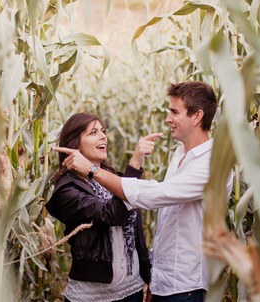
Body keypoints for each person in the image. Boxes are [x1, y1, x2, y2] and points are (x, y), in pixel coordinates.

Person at [55, 81, 233, 302]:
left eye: (174, 112)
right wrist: (154, 280)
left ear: (197, 116)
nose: (168, 119)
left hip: (187, 285)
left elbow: (151, 197)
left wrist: (95, 170)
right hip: (157, 284)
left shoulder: (213, 164)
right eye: (94, 133)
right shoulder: (180, 155)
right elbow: (155, 219)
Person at [46, 112, 162, 302]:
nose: (103, 136)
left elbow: (135, 231)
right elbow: (112, 215)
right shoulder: (66, 189)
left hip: (132, 290)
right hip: (93, 297)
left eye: (103, 131)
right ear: (75, 144)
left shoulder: (112, 177)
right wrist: (134, 164)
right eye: (93, 132)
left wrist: (149, 278)